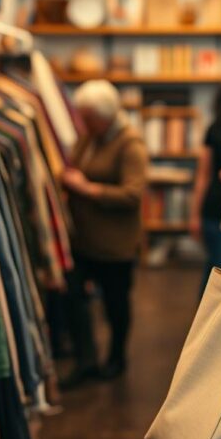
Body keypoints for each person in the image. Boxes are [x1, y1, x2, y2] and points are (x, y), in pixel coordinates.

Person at [58, 79, 148, 386]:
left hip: (114, 245)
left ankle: (116, 358)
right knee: (72, 297)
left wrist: (87, 189)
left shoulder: (129, 143)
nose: (82, 121)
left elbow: (133, 194)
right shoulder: (89, 138)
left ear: (105, 115)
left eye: (88, 116)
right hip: (83, 240)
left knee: (115, 304)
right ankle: (86, 359)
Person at [190, 80, 221, 293]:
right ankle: (208, 318)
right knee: (219, 270)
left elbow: (202, 175)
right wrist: (194, 215)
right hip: (218, 210)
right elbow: (203, 174)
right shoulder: (216, 129)